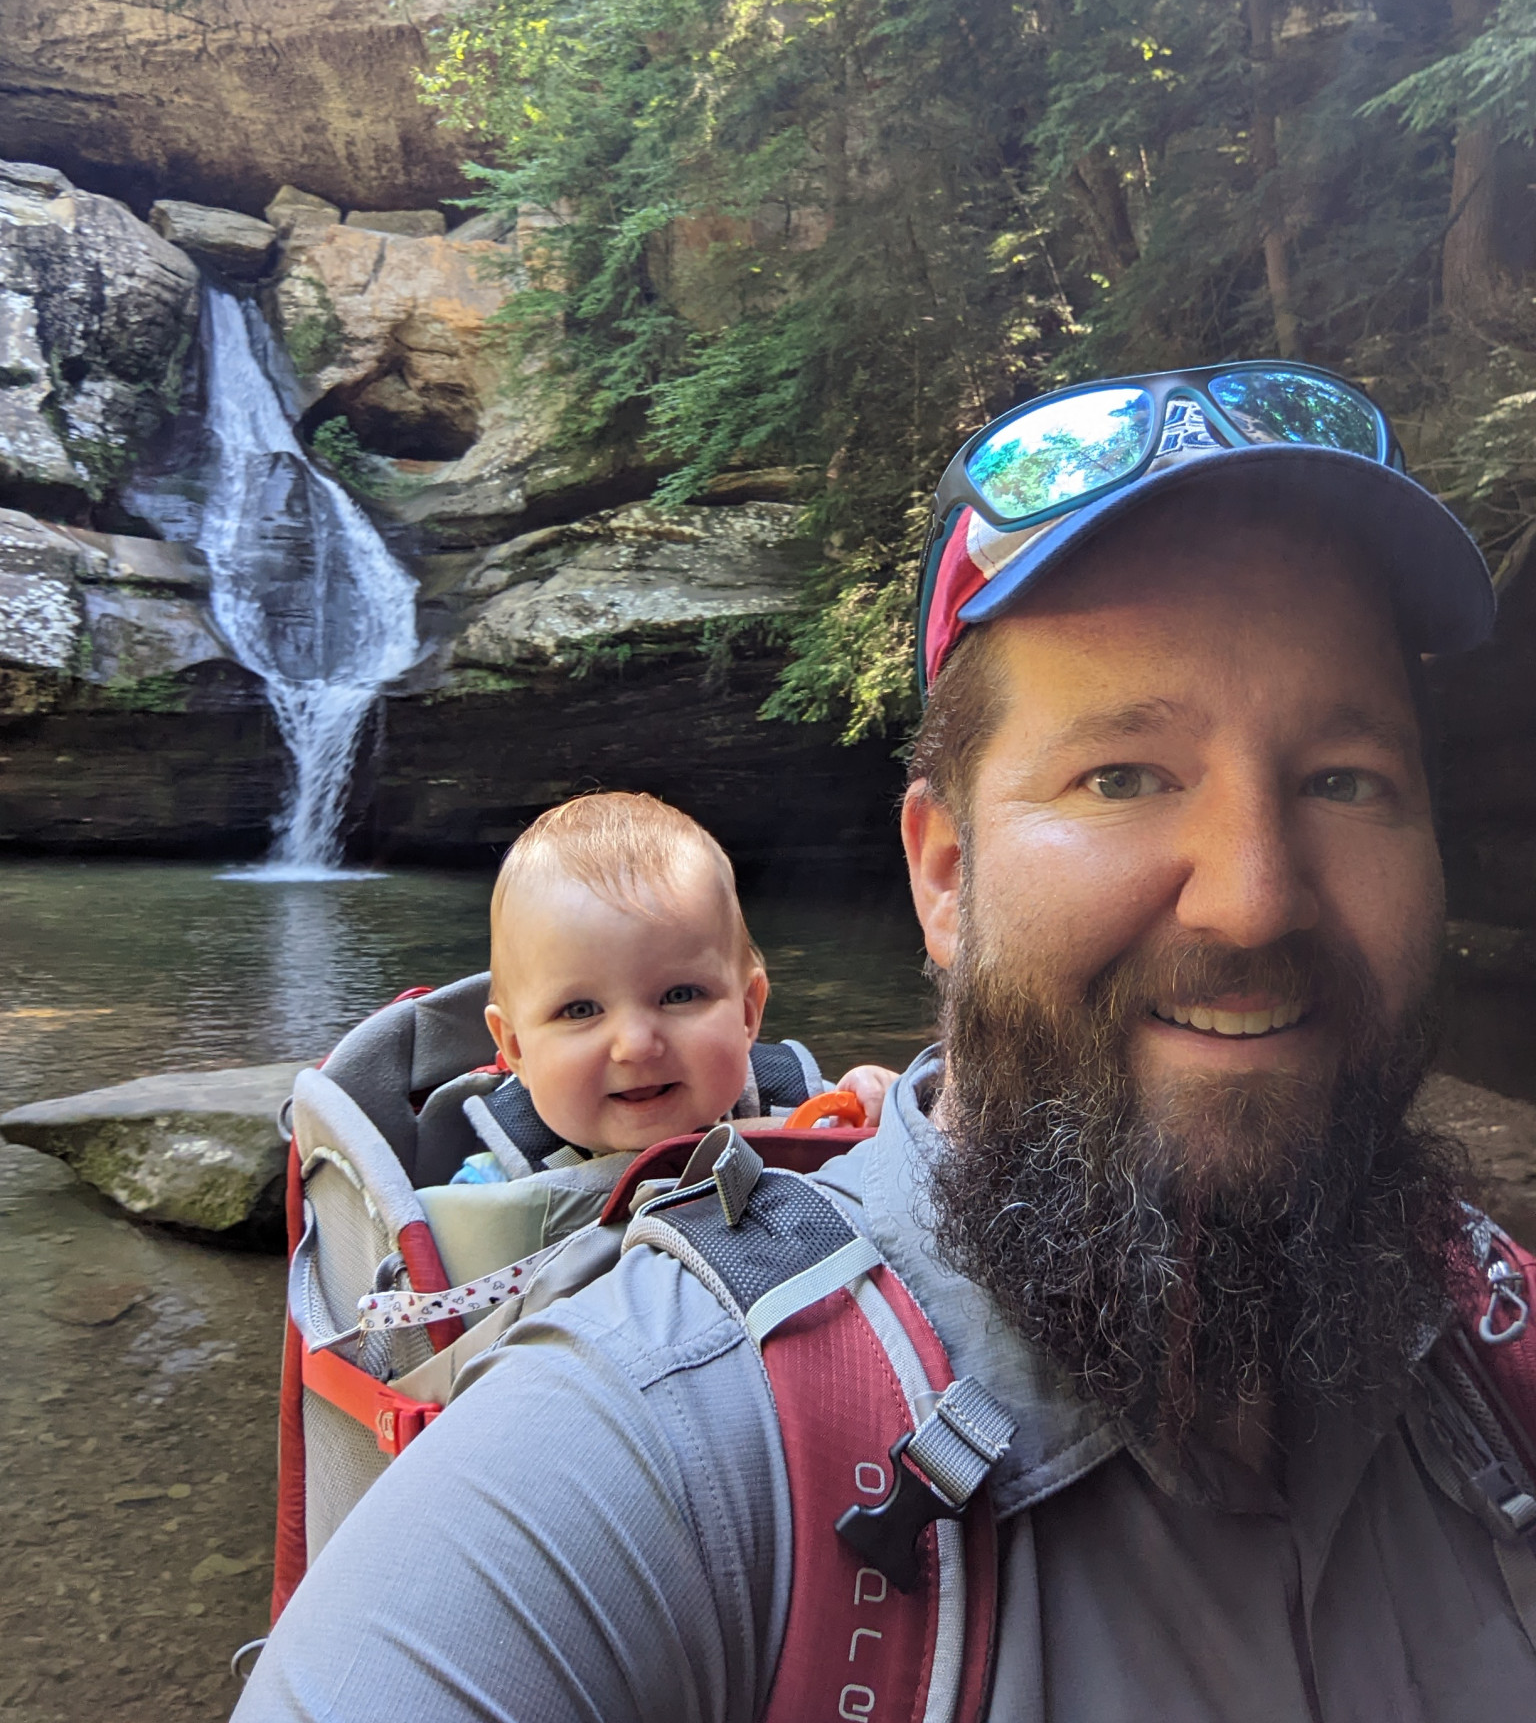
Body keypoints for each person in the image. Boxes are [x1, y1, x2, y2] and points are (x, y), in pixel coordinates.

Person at [239, 363, 1536, 1722]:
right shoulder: (654, 1441)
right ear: (945, 874)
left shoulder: (1499, 1348)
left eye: (1345, 779)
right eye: (1122, 776)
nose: (1257, 896)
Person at [429, 791, 898, 1263]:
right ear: (516, 1049)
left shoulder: (803, 1115)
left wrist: (886, 1107)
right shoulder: (489, 1196)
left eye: (680, 995)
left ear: (747, 1013)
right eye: (581, 1010)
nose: (635, 1045)